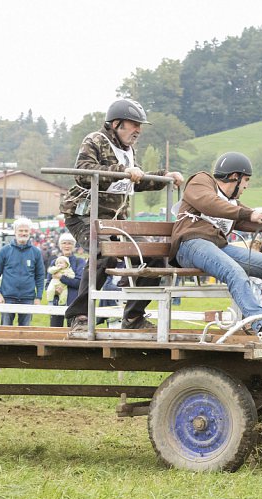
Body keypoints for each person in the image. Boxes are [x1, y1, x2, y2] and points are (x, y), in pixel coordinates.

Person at [59, 98, 184, 332]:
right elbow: (83, 172)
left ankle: (133, 317)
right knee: (103, 252)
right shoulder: (95, 140)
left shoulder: (128, 151)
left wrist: (165, 176)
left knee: (154, 256)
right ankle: (79, 316)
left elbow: (134, 183)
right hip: (85, 215)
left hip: (116, 222)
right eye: (134, 124)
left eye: (140, 125)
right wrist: (122, 171)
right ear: (116, 124)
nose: (138, 130)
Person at [171, 151, 262, 336]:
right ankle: (260, 323)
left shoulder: (233, 204)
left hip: (218, 248)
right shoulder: (201, 181)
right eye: (246, 180)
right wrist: (247, 213)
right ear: (235, 176)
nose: (246, 186)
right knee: (234, 271)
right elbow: (209, 203)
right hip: (190, 244)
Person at [0, 217, 45, 326]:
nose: (23, 233)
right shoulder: (5, 251)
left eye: (26, 231)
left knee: (24, 332)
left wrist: (38, 297)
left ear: (30, 232)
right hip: (7, 297)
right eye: (20, 230)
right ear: (15, 232)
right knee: (6, 330)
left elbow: (40, 276)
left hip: (28, 298)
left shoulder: (36, 252)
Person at [47, 232, 86, 327]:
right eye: (64, 243)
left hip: (73, 304)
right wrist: (55, 290)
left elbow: (80, 283)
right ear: (60, 246)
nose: (66, 246)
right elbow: (48, 283)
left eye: (69, 243)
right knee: (55, 333)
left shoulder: (79, 262)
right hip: (57, 303)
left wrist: (62, 277)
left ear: (74, 246)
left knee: (73, 333)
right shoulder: (54, 262)